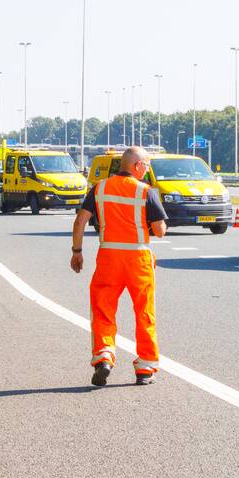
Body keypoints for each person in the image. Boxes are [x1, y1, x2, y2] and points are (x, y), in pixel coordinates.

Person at [71, 146, 167, 387]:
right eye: (147, 165)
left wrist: (77, 251)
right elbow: (160, 231)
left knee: (102, 309)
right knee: (144, 312)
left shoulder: (100, 188)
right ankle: (145, 368)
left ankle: (104, 356)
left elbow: (80, 220)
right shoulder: (146, 191)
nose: (148, 170)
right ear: (137, 166)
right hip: (138, 259)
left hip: (109, 257)